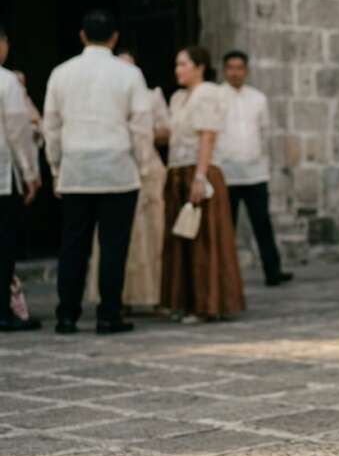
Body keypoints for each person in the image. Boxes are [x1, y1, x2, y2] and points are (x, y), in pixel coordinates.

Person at [43, 10, 152, 335]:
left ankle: (67, 314)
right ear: (115, 37)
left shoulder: (61, 73)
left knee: (73, 244)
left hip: (76, 167)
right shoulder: (129, 74)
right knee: (113, 246)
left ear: (82, 35)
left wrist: (55, 166)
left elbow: (52, 126)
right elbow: (141, 126)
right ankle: (108, 314)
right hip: (117, 168)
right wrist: (143, 165)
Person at [160, 45, 245, 323]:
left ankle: (206, 303)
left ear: (199, 67)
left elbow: (207, 136)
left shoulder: (208, 93)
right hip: (177, 170)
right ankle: (182, 300)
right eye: (176, 64)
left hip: (200, 170)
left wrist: (200, 175)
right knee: (181, 236)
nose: (178, 70)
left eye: (183, 64)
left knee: (203, 239)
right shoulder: (177, 98)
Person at [84, 49, 170, 311]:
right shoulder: (104, 100)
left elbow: (166, 131)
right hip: (117, 166)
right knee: (118, 235)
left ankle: (157, 294)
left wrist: (145, 132)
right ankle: (117, 296)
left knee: (154, 232)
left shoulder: (152, 96)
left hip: (149, 168)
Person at [217, 50, 292, 286]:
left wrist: (265, 162)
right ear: (224, 70)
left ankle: (273, 270)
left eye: (240, 68)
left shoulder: (258, 98)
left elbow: (264, 132)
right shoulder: (217, 96)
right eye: (231, 67)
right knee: (225, 227)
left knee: (262, 224)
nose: (235, 72)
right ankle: (223, 275)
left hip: (255, 172)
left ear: (246, 71)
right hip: (227, 173)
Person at [0, 25, 42, 332]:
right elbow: (17, 131)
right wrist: (31, 173)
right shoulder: (6, 81)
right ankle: (3, 310)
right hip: (1, 176)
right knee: (4, 245)